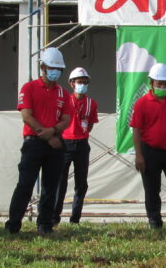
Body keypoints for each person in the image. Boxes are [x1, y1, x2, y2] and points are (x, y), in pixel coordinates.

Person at [5, 48, 72, 235]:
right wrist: (49, 135)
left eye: (59, 69)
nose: (55, 72)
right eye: (52, 68)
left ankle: (45, 224)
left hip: (55, 144)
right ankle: (13, 224)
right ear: (42, 67)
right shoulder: (29, 88)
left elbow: (66, 119)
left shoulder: (63, 94)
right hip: (34, 143)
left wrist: (54, 132)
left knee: (51, 187)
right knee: (25, 185)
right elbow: (26, 116)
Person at [130, 62, 166, 229]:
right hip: (149, 152)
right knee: (152, 190)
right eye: (159, 83)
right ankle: (155, 222)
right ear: (151, 83)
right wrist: (139, 155)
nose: (163, 86)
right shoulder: (141, 103)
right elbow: (136, 131)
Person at [53, 67, 98, 225]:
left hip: (82, 144)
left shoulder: (91, 103)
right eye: (80, 82)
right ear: (72, 83)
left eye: (85, 82)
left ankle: (75, 219)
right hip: (65, 143)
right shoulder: (65, 100)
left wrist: (82, 132)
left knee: (81, 183)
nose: (83, 85)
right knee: (60, 182)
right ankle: (54, 217)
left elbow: (91, 123)